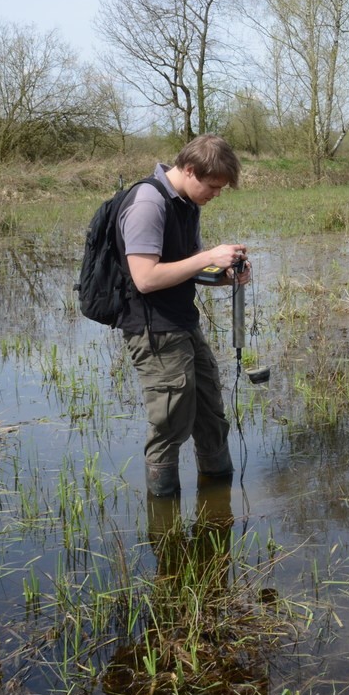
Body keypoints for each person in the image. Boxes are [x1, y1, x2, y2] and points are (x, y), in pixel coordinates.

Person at [118, 133, 249, 497]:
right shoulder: (148, 203)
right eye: (213, 186)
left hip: (182, 323)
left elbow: (183, 267)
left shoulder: (186, 203)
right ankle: (164, 522)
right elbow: (145, 279)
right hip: (153, 330)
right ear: (190, 170)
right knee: (169, 424)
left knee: (210, 413)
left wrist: (223, 276)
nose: (216, 194)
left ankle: (218, 502)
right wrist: (208, 256)